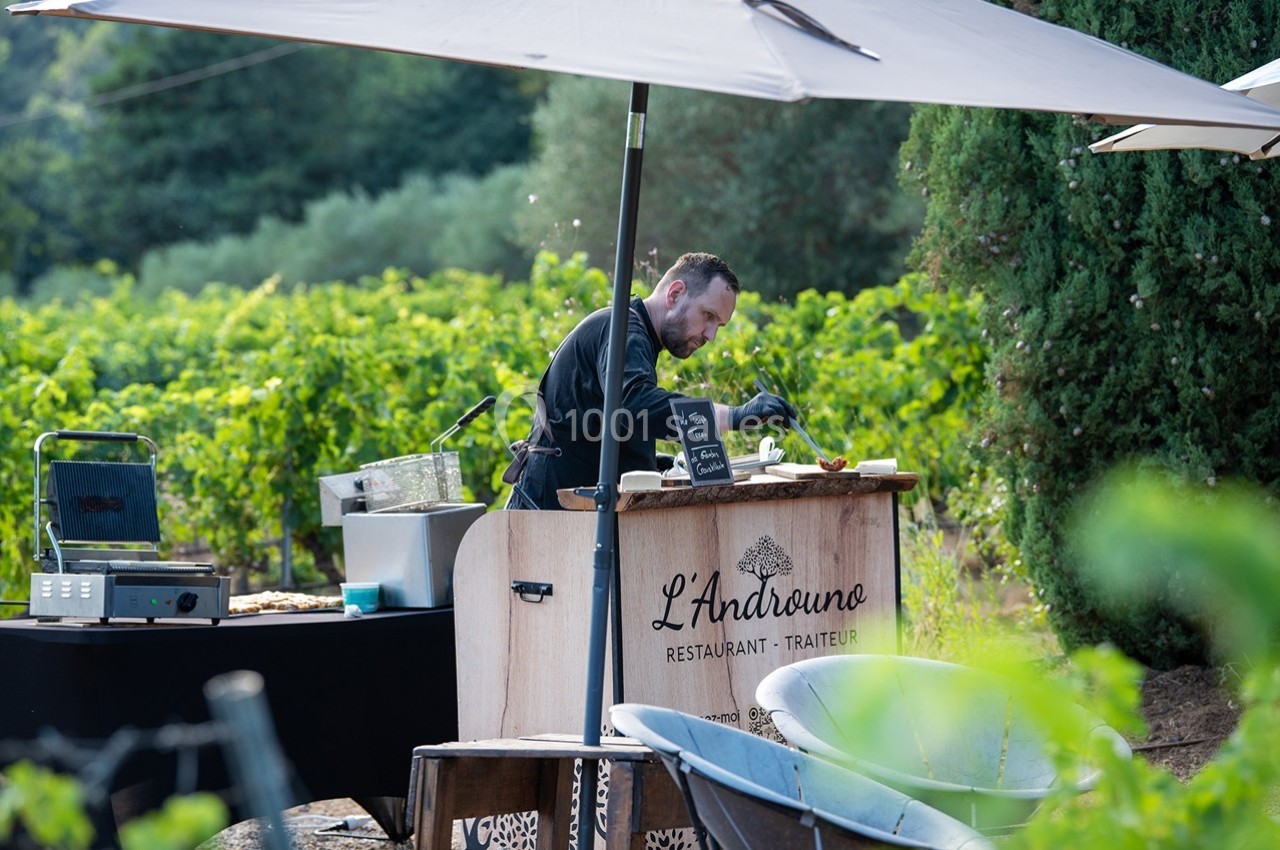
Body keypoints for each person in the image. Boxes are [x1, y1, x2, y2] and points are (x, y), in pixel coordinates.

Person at [506, 252, 795, 510]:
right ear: (675, 294)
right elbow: (634, 405)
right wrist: (735, 415)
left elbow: (608, 424)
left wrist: (653, 462)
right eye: (708, 315)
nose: (711, 335)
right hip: (545, 521)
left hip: (567, 516)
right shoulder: (623, 330)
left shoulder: (635, 335)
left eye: (718, 325)